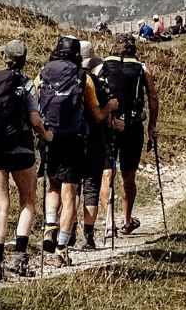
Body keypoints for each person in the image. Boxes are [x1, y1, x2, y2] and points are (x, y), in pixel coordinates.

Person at [0, 39, 53, 283]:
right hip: (20, 149)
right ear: (23, 60)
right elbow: (35, 119)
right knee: (28, 202)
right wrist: (46, 136)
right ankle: (19, 258)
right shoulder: (25, 83)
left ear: (3, 57)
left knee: (1, 207)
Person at [37, 36, 102, 265]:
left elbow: (35, 103)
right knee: (70, 194)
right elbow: (95, 113)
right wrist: (109, 109)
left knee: (53, 186)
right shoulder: (83, 77)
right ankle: (62, 250)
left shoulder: (43, 72)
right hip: (74, 140)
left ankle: (49, 227)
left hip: (49, 138)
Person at [98, 35, 159, 235]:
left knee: (107, 173)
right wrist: (152, 126)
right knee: (128, 175)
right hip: (132, 127)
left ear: (114, 48)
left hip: (108, 126)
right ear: (133, 48)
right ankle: (127, 220)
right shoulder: (142, 68)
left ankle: (108, 223)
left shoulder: (102, 67)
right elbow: (152, 97)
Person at [77, 45, 119, 250]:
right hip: (93, 140)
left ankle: (63, 234)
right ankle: (88, 236)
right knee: (90, 187)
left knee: (69, 188)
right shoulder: (93, 82)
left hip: (67, 140)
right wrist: (110, 107)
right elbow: (102, 118)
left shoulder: (52, 76)